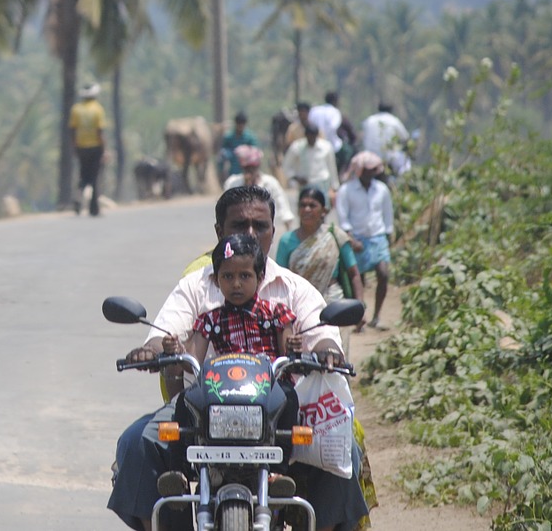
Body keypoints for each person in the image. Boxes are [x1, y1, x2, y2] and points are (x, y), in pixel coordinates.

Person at [108, 185, 369, 531]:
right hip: (203, 412)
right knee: (137, 442)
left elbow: (320, 336)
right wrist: (154, 350)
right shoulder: (197, 287)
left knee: (344, 450)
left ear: (273, 232)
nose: (249, 234)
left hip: (274, 414)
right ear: (219, 233)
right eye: (238, 225)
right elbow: (167, 333)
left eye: (259, 226)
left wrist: (329, 354)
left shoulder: (292, 291)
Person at [179, 234, 299, 380]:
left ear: (260, 278)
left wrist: (293, 349)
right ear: (216, 281)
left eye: (245, 276)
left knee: (291, 398)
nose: (236, 284)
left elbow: (288, 361)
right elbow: (193, 363)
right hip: (227, 391)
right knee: (186, 401)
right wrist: (178, 351)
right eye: (228, 277)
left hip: (271, 391)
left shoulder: (275, 314)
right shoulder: (210, 320)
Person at [275, 186, 366, 350]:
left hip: (334, 304)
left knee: (337, 354)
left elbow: (354, 274)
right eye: (302, 205)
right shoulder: (287, 241)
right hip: (299, 306)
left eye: (312, 205)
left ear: (323, 210)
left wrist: (360, 307)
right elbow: (280, 280)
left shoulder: (334, 236)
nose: (307, 209)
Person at [336, 152, 394, 330]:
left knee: (383, 274)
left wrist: (388, 236)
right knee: (357, 281)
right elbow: (343, 218)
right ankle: (359, 318)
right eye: (367, 170)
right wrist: (351, 240)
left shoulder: (382, 189)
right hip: (356, 239)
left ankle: (376, 316)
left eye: (373, 170)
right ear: (359, 171)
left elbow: (387, 215)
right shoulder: (346, 191)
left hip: (378, 238)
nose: (371, 174)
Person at [223, 144, 296, 231]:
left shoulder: (270, 183)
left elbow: (284, 208)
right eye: (246, 168)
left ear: (257, 167)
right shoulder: (232, 183)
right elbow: (225, 210)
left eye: (252, 168)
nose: (249, 172)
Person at [69, 82, 107, 216]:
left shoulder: (76, 109)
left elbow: (73, 130)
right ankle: (93, 208)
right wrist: (104, 150)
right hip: (95, 147)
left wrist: (75, 147)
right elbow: (100, 132)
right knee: (95, 177)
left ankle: (78, 198)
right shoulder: (98, 109)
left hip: (81, 148)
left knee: (83, 176)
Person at [282, 123, 340, 199]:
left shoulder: (326, 147)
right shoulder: (297, 147)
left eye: (313, 136)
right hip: (305, 186)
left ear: (317, 135)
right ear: (305, 135)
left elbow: (332, 167)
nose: (311, 139)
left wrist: (335, 186)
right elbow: (286, 166)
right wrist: (296, 178)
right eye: (309, 136)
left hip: (322, 185)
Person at [309, 91, 357, 175]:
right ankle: (343, 174)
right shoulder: (335, 112)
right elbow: (333, 127)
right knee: (348, 151)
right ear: (335, 101)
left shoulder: (315, 110)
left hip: (314, 143)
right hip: (333, 146)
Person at [360, 102, 412, 181]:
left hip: (368, 154)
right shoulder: (393, 120)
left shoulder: (369, 120)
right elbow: (405, 138)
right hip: (388, 156)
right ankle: (403, 182)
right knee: (406, 164)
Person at [217, 110, 260, 183]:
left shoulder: (250, 137)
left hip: (247, 168)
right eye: (239, 123)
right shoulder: (229, 137)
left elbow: (256, 152)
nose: (240, 125)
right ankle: (221, 177)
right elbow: (223, 150)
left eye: (242, 123)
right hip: (233, 167)